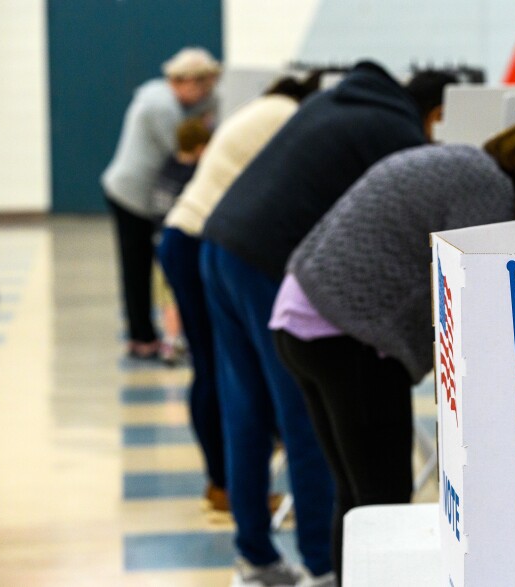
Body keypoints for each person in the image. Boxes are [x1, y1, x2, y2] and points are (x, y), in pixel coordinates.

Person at [199, 61, 456, 586]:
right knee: (308, 422)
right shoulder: (395, 132)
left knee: (247, 410)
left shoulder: (338, 104)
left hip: (221, 244)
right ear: (438, 116)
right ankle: (322, 567)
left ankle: (256, 557)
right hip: (272, 261)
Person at [271, 119, 515, 583]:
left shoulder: (456, 161)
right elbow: (473, 290)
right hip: (347, 334)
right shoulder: (489, 188)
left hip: (301, 318)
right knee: (383, 501)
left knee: (359, 501)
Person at [157, 73, 323, 513]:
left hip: (186, 235)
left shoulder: (256, 111)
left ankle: (222, 483)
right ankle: (226, 484)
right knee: (219, 371)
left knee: (213, 368)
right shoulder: (287, 117)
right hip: (200, 238)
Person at [101, 47, 220, 359]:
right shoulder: (162, 107)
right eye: (203, 86)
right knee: (137, 268)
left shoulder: (162, 96)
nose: (207, 94)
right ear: (185, 81)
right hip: (132, 196)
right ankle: (142, 338)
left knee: (144, 269)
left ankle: (146, 335)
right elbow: (186, 149)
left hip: (141, 193)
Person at [151, 117, 211, 365]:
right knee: (178, 295)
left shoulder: (168, 165)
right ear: (200, 148)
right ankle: (178, 340)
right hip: (178, 242)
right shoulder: (194, 175)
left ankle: (169, 339)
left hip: (157, 239)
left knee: (166, 297)